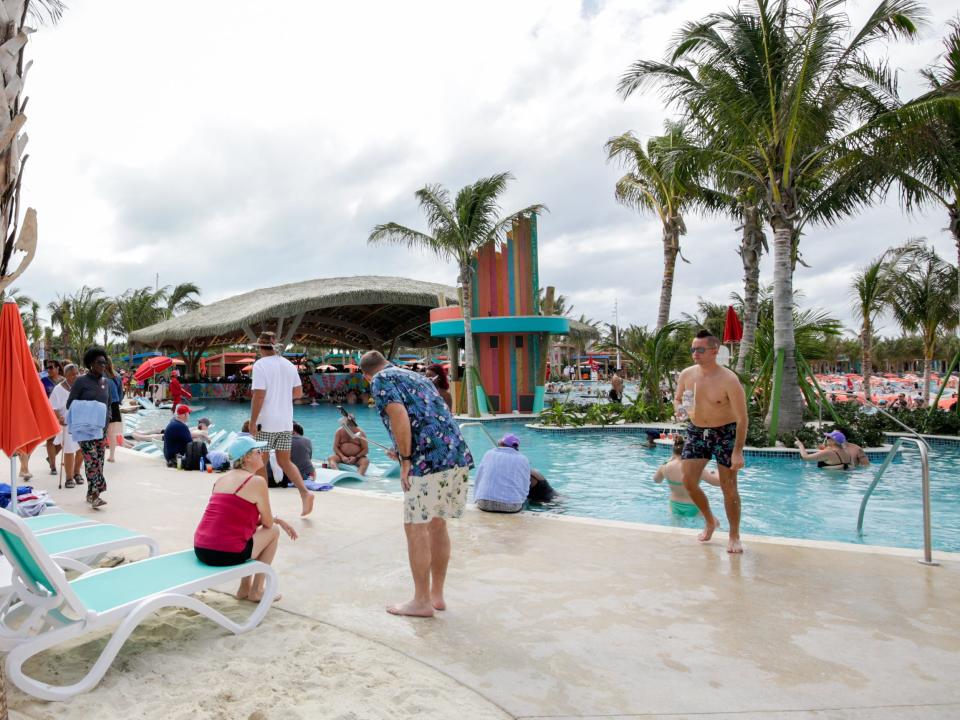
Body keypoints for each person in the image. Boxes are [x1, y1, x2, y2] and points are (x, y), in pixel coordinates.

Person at [361, 350, 473, 618]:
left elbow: (399, 415)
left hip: (426, 462)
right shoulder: (416, 376)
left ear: (367, 375)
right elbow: (428, 417)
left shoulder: (379, 380)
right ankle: (436, 596)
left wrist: (407, 458)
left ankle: (421, 601)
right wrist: (400, 449)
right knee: (437, 524)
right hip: (455, 455)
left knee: (416, 528)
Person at [193, 436, 298, 602]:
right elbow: (268, 523)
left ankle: (244, 589)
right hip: (225, 553)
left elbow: (234, 520)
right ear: (247, 457)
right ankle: (256, 591)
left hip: (202, 549)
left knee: (252, 533)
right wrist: (277, 521)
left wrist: (277, 518)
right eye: (258, 451)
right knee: (273, 531)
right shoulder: (256, 481)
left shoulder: (221, 479)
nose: (262, 454)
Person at [674, 329, 748, 553]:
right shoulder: (687, 375)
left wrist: (737, 451)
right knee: (688, 481)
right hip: (697, 431)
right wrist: (679, 409)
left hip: (724, 433)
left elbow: (743, 418)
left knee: (729, 487)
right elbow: (677, 399)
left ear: (714, 351)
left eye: (700, 349)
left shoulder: (729, 379)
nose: (695, 353)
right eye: (693, 349)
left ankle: (734, 535)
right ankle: (710, 521)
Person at [249, 332, 313, 517]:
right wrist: (281, 398)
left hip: (266, 423)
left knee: (261, 462)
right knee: (285, 461)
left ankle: (263, 507)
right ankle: (305, 493)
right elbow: (299, 392)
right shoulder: (288, 365)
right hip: (285, 423)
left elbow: (258, 395)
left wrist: (253, 421)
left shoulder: (260, 365)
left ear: (261, 348)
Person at [66, 347, 111, 508]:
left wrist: (108, 419)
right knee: (92, 462)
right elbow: (70, 403)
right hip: (85, 430)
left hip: (100, 429)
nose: (103, 365)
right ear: (91, 363)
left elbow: (108, 404)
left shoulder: (106, 382)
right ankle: (94, 495)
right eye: (100, 362)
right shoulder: (81, 381)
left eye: (105, 362)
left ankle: (91, 493)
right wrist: (92, 408)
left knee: (99, 462)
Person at [654, 436, 721, 516]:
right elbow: (717, 482)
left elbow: (657, 480)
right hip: (694, 505)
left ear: (674, 452)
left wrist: (667, 461)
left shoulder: (664, 466)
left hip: (675, 504)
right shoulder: (695, 468)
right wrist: (715, 471)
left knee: (675, 528)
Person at [473, 433, 531, 513]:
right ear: (516, 447)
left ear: (501, 443)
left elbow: (478, 478)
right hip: (511, 506)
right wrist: (521, 499)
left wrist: (476, 497)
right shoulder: (523, 459)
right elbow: (525, 485)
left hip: (484, 503)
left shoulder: (489, 454)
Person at [49, 363, 83, 487]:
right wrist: (59, 418)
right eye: (73, 374)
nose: (76, 376)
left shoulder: (80, 386)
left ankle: (77, 473)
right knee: (69, 450)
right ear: (66, 375)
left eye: (77, 373)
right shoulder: (58, 389)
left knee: (82, 449)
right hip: (66, 423)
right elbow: (53, 408)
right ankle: (69, 478)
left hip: (81, 422)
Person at [795, 431, 863, 469]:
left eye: (828, 437)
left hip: (831, 484)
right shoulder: (847, 451)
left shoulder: (828, 453)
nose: (826, 439)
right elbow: (852, 467)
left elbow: (805, 457)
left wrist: (800, 445)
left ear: (833, 441)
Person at [104, 357, 124, 463]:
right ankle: (112, 456)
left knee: (101, 432)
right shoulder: (117, 376)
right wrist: (118, 401)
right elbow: (121, 393)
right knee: (111, 433)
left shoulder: (100, 375)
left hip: (102, 404)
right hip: (115, 405)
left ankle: (100, 455)